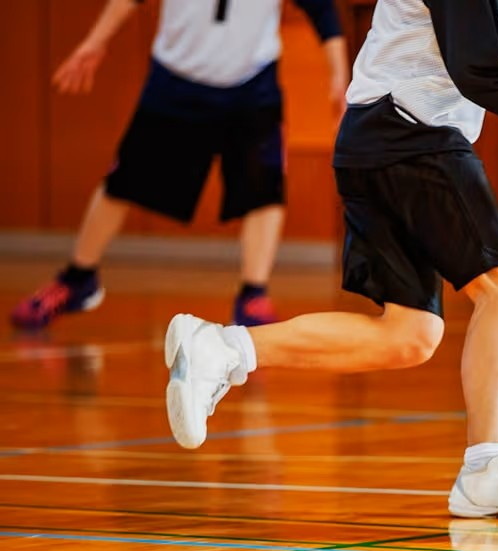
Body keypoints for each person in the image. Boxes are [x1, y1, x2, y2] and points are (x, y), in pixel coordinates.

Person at [162, 0, 498, 520]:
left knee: (408, 336)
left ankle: (222, 347)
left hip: (385, 136)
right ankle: (488, 470)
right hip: (408, 131)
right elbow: (481, 72)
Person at [10, 0, 349, 330]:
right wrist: (95, 41)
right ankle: (78, 278)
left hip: (253, 83)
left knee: (265, 188)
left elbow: (321, 8)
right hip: (175, 78)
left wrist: (338, 72)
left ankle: (253, 295)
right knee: (123, 181)